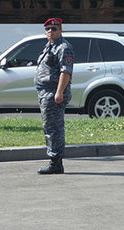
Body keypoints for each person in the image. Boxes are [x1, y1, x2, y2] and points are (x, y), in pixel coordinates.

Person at [35, 18, 74, 174]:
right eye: (48, 29)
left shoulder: (64, 47)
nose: (51, 31)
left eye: (54, 28)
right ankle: (54, 160)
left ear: (61, 30)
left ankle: (56, 163)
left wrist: (59, 92)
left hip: (53, 94)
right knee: (49, 126)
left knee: (54, 128)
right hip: (46, 93)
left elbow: (66, 72)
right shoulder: (49, 47)